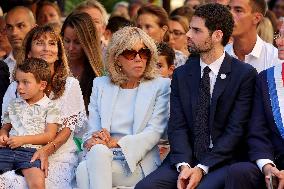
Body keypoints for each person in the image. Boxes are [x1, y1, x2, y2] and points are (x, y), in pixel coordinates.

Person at [135, 3, 257, 189]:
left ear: (217, 35)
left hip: (223, 161)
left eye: (196, 30)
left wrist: (201, 168)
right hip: (185, 159)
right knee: (145, 187)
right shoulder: (182, 74)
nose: (188, 35)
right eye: (190, 28)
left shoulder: (244, 75)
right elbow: (177, 126)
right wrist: (184, 165)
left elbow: (235, 131)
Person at [75, 26, 170, 188]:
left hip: (139, 163)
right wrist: (93, 139)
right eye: (130, 53)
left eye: (144, 52)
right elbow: (92, 132)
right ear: (117, 58)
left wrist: (115, 143)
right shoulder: (101, 85)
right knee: (97, 153)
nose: (138, 58)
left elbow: (155, 132)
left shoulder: (161, 86)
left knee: (84, 171)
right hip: (103, 157)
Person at [0, 24, 86, 189]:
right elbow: (5, 123)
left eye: (52, 43)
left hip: (57, 153)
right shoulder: (15, 87)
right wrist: (4, 136)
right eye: (40, 43)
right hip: (15, 150)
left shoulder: (70, 84)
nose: (47, 48)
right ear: (29, 52)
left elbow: (67, 130)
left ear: (59, 53)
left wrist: (45, 150)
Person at [0, 58, 60, 189]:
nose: (19, 87)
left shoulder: (51, 107)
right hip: (7, 150)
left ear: (42, 85)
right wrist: (3, 135)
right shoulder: (14, 104)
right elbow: (6, 127)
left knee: (37, 184)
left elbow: (50, 135)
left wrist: (23, 140)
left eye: (25, 82)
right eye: (18, 82)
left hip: (31, 154)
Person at [61, 12, 104, 112]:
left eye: (77, 42)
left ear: (89, 42)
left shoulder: (100, 74)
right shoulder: (55, 66)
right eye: (67, 41)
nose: (71, 48)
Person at [226, 0, 280, 73]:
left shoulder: (274, 59)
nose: (229, 15)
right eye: (228, 9)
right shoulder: (219, 56)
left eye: (238, 10)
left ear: (256, 18)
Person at [4, 6, 36, 80]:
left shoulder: (46, 64)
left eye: (20, 26)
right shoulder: (3, 66)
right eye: (9, 27)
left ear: (34, 29)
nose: (14, 33)